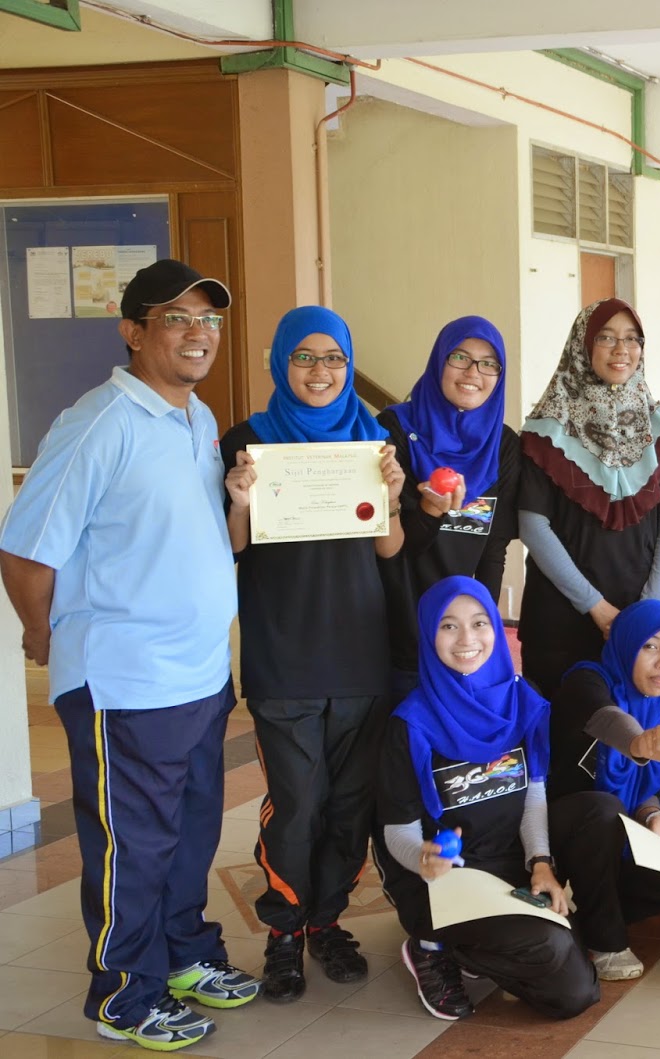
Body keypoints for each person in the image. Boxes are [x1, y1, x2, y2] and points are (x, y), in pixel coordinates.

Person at [0, 259, 259, 1050]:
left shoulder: (196, 418)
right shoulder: (99, 422)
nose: (198, 333)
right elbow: (24, 550)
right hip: (125, 681)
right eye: (176, 317)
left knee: (189, 834)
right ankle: (124, 992)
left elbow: (203, 539)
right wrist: (42, 633)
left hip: (199, 673)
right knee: (132, 847)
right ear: (133, 331)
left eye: (208, 319)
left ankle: (182, 953)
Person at [220, 306, 404, 1001]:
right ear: (281, 362)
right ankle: (283, 931)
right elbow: (232, 548)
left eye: (333, 358)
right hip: (284, 657)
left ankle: (325, 921)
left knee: (350, 805)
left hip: (360, 654)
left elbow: (389, 549)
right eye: (304, 356)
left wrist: (391, 497)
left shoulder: (374, 439)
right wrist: (240, 501)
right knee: (297, 805)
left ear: (348, 364)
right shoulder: (248, 441)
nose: (319, 371)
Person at [376, 576, 599, 1021]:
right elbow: (397, 829)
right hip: (443, 880)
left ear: (497, 629)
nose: (467, 639)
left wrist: (541, 862)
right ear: (429, 635)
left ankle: (474, 946)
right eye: (448, 626)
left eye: (480, 623)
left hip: (508, 866)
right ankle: (432, 947)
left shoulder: (523, 702)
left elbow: (534, 793)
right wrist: (423, 859)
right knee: (554, 957)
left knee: (578, 990)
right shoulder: (411, 723)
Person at [518, 299, 660, 693]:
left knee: (646, 728)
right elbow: (533, 526)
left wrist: (645, 610)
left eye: (632, 339)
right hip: (564, 621)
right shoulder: (545, 431)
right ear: (582, 345)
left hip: (649, 627)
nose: (622, 349)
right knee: (565, 722)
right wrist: (596, 608)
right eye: (606, 337)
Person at [546, 600, 660, 980]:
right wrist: (641, 743)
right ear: (626, 643)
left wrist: (653, 814)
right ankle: (606, 939)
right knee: (603, 809)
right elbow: (605, 718)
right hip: (560, 830)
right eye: (650, 646)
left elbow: (647, 787)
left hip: (617, 828)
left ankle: (589, 918)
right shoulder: (586, 680)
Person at [380, 316, 524, 696]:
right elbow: (393, 550)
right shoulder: (394, 429)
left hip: (460, 634)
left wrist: (481, 627)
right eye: (460, 357)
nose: (473, 372)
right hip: (400, 623)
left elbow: (493, 548)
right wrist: (431, 512)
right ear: (439, 361)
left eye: (489, 363)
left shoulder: (503, 446)